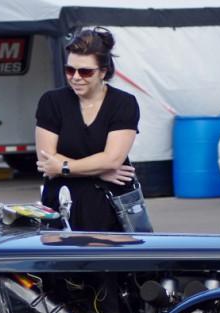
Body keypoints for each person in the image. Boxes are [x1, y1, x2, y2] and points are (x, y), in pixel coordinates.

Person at [35, 27, 141, 232]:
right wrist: (98, 173)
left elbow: (112, 160)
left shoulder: (124, 103)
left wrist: (65, 167)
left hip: (108, 207)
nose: (75, 77)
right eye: (69, 70)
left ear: (103, 71)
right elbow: (48, 162)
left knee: (110, 262)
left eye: (85, 71)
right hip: (61, 204)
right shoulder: (51, 101)